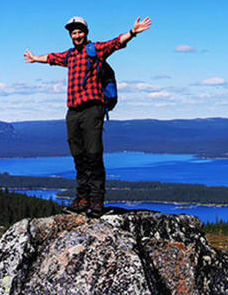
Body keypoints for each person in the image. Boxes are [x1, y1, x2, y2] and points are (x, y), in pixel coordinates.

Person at [24, 15, 152, 217]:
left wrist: (133, 32)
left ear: (86, 32)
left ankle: (97, 202)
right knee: (78, 156)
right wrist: (34, 59)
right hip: (73, 111)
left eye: (79, 31)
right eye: (73, 32)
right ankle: (82, 199)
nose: (77, 35)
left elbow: (115, 43)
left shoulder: (95, 50)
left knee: (93, 155)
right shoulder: (70, 56)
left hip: (93, 108)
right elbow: (52, 58)